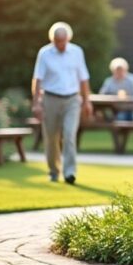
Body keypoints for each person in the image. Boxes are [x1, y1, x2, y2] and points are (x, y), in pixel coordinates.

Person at [32, 22, 92, 184]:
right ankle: (53, 170)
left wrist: (87, 101)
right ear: (53, 40)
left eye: (63, 41)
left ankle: (69, 172)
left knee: (69, 135)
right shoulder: (45, 53)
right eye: (58, 41)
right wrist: (36, 103)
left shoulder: (77, 52)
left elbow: (84, 78)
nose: (61, 44)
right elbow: (38, 79)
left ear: (68, 39)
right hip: (50, 99)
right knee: (51, 137)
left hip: (72, 99)